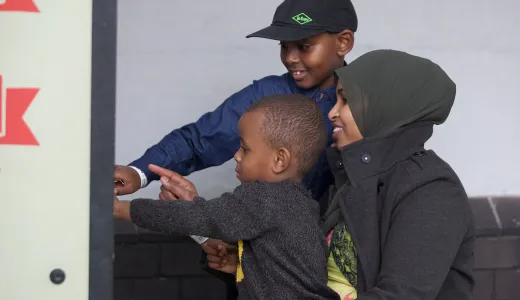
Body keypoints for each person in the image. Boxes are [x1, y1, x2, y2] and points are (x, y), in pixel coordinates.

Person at [202, 50, 476, 299]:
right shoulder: (351, 178)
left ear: (385, 107)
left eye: (345, 101)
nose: (332, 113)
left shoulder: (431, 189)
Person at [113, 0, 358, 246]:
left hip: (340, 253)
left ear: (343, 42)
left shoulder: (369, 97)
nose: (291, 58)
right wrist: (139, 171)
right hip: (259, 252)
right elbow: (203, 139)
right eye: (284, 46)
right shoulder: (267, 94)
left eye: (304, 46)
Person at [114, 94, 344, 300]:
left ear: (279, 160)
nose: (236, 156)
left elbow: (204, 217)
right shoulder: (300, 203)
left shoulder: (265, 198)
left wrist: (124, 209)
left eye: (245, 149)